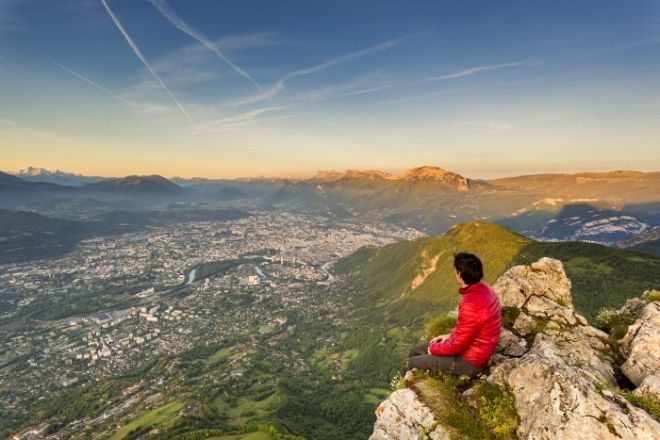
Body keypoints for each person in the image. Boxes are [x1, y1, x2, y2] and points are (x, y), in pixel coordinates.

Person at [403, 252, 501, 377]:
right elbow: (471, 326)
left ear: (459, 274)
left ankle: (409, 390)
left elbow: (457, 346)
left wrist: (432, 349)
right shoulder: (484, 289)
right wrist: (450, 335)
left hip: (469, 362)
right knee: (414, 351)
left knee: (410, 363)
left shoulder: (470, 303)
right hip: (476, 351)